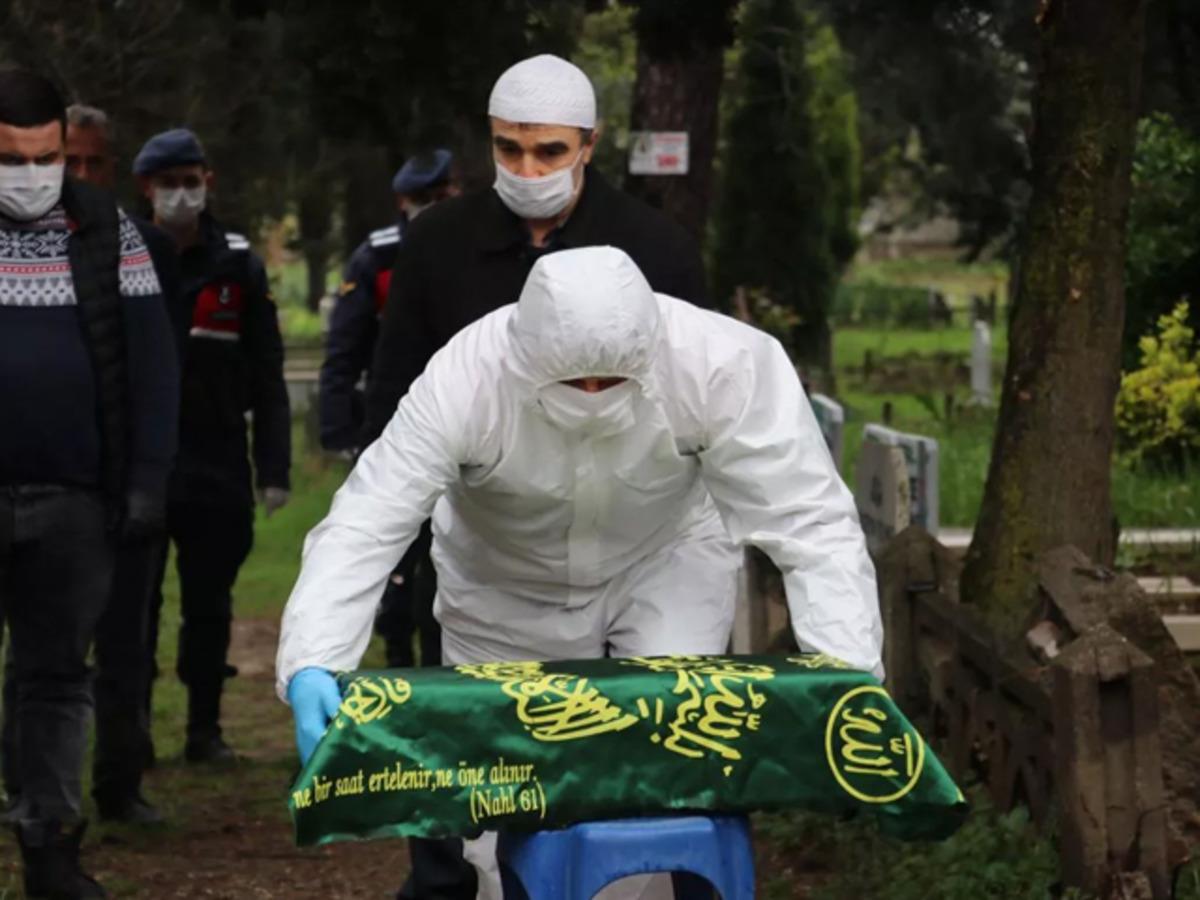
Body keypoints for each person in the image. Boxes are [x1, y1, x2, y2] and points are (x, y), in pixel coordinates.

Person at [279, 247, 884, 897]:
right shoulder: (465, 377)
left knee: (657, 781)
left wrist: (848, 669)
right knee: (495, 811)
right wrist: (315, 656)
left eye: (611, 382)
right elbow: (370, 520)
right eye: (574, 384)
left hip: (665, 560)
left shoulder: (723, 363)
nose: (593, 397)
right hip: (504, 581)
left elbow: (807, 517)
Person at [361, 58, 714, 894]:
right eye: (507, 150)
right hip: (487, 545)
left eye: (548, 151)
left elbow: (704, 397)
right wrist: (399, 548)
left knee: (645, 762)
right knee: (474, 783)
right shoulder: (438, 244)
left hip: (636, 542)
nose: (525, 171)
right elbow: (395, 397)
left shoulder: (656, 250)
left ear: (590, 145)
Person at [0, 70, 179, 898]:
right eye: (10, 158)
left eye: (45, 157)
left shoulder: (109, 232)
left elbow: (153, 369)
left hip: (74, 502)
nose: (31, 175)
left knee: (55, 677)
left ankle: (51, 849)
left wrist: (144, 483)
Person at [133, 128, 291, 764]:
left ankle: (205, 727)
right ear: (146, 187)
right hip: (143, 459)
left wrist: (274, 469)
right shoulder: (124, 256)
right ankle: (131, 731)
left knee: (209, 602)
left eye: (189, 181)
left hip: (216, 459)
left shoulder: (238, 268)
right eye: (167, 183)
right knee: (135, 606)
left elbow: (268, 374)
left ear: (208, 182)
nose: (180, 194)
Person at [320, 151, 457, 670]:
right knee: (396, 561)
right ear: (404, 202)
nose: (433, 209)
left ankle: (442, 669)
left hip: (463, 435)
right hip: (394, 434)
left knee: (453, 570)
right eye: (423, 200)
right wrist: (341, 434)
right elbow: (345, 349)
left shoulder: (474, 250)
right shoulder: (378, 258)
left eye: (441, 197)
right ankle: (400, 664)